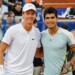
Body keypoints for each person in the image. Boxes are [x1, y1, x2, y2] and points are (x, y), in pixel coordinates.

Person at [0, 3, 41, 75]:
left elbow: (37, 54)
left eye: (32, 13)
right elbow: (1, 50)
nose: (30, 16)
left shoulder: (37, 32)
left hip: (28, 73)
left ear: (35, 15)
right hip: (10, 72)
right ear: (23, 14)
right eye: (27, 13)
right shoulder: (13, 30)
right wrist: (1, 69)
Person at [41, 7, 75, 75]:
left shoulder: (67, 34)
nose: (50, 20)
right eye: (47, 18)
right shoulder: (42, 35)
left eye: (52, 17)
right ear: (44, 20)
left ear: (57, 19)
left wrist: (70, 63)